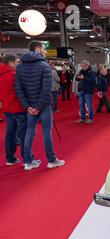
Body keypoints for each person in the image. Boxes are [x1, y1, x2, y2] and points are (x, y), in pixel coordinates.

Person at [15, 40, 65, 170]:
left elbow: (18, 89)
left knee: (29, 132)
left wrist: (28, 107)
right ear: (38, 49)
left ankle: (28, 162)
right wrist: (37, 107)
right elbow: (46, 89)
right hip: (43, 105)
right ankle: (51, 160)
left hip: (30, 106)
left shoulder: (19, 66)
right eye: (44, 49)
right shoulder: (44, 66)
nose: (45, 51)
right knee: (46, 132)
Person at [0, 54, 27, 166]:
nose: (18, 64)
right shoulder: (14, 75)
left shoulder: (1, 76)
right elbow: (22, 91)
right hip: (19, 108)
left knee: (10, 134)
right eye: (16, 62)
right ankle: (27, 159)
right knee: (24, 134)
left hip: (7, 109)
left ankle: (10, 158)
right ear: (11, 63)